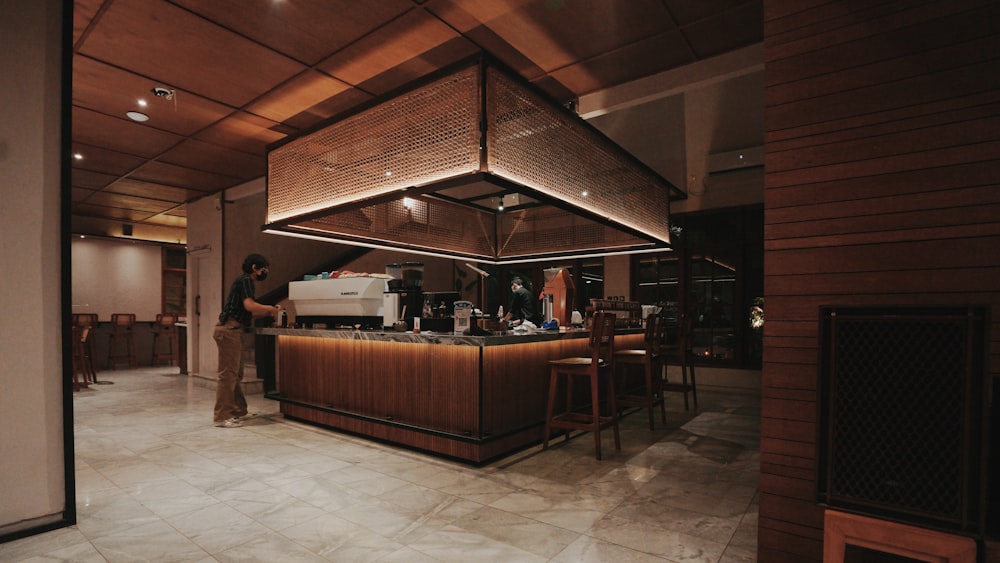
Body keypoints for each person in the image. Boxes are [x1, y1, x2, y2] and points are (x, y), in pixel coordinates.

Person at [213, 253, 280, 428]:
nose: (264, 273)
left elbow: (252, 310)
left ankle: (238, 410)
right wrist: (271, 310)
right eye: (263, 270)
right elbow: (250, 306)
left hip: (233, 330)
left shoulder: (244, 282)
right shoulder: (245, 281)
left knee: (236, 374)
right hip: (229, 330)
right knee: (228, 375)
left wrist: (267, 310)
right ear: (255, 269)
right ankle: (221, 416)